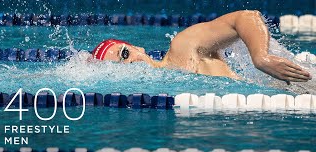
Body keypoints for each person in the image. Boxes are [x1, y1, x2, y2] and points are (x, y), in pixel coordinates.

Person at [91, 10, 312, 84]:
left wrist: (261, 57)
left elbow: (245, 17)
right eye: (119, 65)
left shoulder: (182, 47)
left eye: (125, 53)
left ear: (139, 48)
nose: (128, 63)